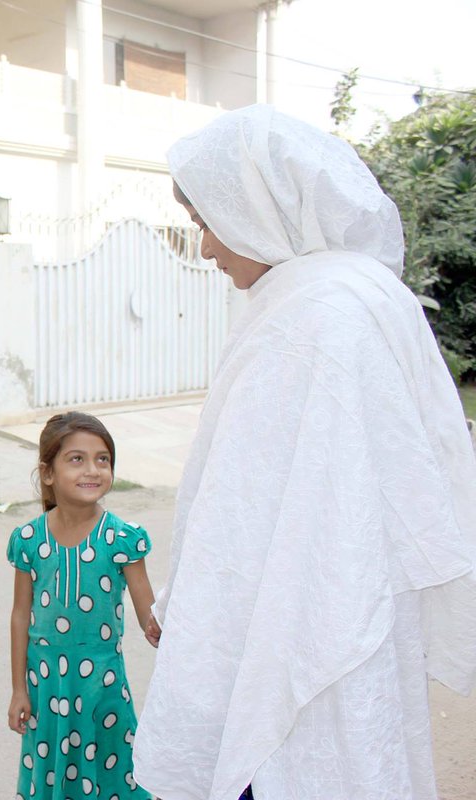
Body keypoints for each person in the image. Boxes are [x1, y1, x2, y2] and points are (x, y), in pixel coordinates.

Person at [133, 105, 476, 799]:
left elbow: (257, 518)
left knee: (293, 762)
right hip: (339, 624)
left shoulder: (316, 316)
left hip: (303, 638)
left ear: (255, 207)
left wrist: (202, 616)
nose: (205, 248)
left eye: (205, 221)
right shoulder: (352, 294)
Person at [7, 411, 158, 800]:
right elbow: (20, 616)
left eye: (102, 459)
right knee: (52, 772)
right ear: (48, 473)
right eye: (77, 459)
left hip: (102, 684)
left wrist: (171, 630)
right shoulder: (28, 539)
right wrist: (19, 689)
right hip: (45, 684)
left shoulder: (122, 539)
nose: (92, 469)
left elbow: (151, 617)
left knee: (110, 770)